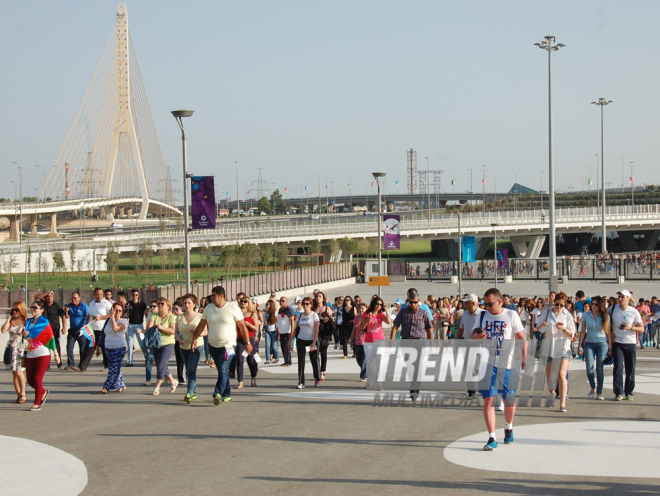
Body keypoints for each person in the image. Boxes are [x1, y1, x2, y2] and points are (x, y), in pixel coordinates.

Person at [471, 288, 527, 451]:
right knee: (488, 400)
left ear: (500, 301)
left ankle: (508, 427)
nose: (487, 307)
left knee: (508, 400)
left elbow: (521, 338)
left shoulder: (511, 315)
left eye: (490, 304)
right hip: (487, 363)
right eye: (485, 304)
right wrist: (477, 337)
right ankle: (491, 437)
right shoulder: (481, 316)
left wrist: (524, 358)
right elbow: (472, 337)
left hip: (507, 364)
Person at [191, 286, 250, 404]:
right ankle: (227, 394)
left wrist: (247, 342)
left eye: (213, 295)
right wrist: (195, 339)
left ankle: (217, 393)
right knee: (222, 371)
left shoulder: (233, 308)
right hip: (213, 346)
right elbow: (202, 324)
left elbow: (242, 326)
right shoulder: (209, 308)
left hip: (228, 345)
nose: (211, 298)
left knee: (223, 368)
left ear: (221, 296)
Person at [390, 289, 434, 400]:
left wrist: (432, 344)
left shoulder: (424, 312)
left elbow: (429, 329)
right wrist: (392, 340)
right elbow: (395, 326)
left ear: (418, 301)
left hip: (419, 341)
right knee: (409, 366)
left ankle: (415, 388)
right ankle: (413, 383)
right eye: (411, 302)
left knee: (417, 366)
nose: (413, 304)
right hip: (406, 341)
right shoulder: (403, 311)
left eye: (415, 302)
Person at [537, 291, 575, 412]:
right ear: (553, 303)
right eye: (557, 304)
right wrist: (543, 326)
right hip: (549, 347)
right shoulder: (547, 313)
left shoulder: (567, 315)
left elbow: (572, 334)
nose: (559, 307)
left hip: (563, 347)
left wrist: (564, 329)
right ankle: (552, 393)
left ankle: (563, 403)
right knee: (551, 376)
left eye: (561, 305)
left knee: (561, 375)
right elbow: (538, 329)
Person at [23, 300, 58, 411]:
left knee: (38, 378)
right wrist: (24, 335)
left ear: (42, 310)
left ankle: (37, 403)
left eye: (35, 307)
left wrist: (56, 354)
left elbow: (51, 339)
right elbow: (27, 337)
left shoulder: (44, 323)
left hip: (42, 353)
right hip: (31, 353)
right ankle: (43, 392)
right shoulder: (28, 322)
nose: (32, 309)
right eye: (31, 307)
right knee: (30, 380)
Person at [610, 290, 644, 401]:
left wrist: (631, 328)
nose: (620, 299)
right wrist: (610, 333)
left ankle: (629, 392)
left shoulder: (634, 312)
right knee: (618, 368)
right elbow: (606, 322)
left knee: (630, 369)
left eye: (622, 297)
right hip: (618, 343)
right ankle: (618, 392)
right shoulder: (613, 309)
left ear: (628, 299)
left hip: (630, 343)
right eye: (619, 297)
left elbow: (642, 328)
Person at [578, 297, 611, 400]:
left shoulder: (604, 316)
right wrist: (580, 345)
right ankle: (593, 387)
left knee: (599, 368)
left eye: (596, 304)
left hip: (602, 343)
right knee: (589, 368)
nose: (594, 306)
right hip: (589, 343)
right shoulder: (586, 315)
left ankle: (599, 393)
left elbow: (608, 332)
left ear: (600, 305)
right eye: (593, 304)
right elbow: (583, 331)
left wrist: (610, 346)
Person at [175, 293, 203, 403]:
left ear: (194, 304)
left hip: (196, 345)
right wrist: (179, 340)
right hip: (184, 346)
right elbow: (176, 332)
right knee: (188, 369)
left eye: (189, 303)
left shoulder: (200, 317)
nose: (186, 305)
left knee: (191, 369)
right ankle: (195, 392)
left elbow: (205, 332)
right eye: (185, 303)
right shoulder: (179, 317)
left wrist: (196, 334)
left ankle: (189, 392)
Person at [146, 298, 178, 395]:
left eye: (162, 304)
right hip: (156, 343)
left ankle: (157, 387)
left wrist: (160, 327)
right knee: (161, 365)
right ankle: (173, 381)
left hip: (168, 343)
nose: (160, 305)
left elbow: (172, 330)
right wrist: (153, 325)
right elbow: (149, 327)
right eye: (158, 304)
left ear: (168, 306)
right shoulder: (154, 315)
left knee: (160, 366)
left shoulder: (172, 317)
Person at [358, 296, 391, 386]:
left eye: (380, 304)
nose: (379, 306)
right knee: (369, 362)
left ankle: (380, 383)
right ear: (373, 304)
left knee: (380, 362)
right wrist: (366, 321)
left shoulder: (381, 315)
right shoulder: (367, 314)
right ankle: (369, 382)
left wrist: (387, 311)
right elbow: (361, 328)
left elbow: (388, 321)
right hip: (368, 341)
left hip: (380, 340)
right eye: (377, 304)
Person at [456, 294, 484, 399]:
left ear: (473, 303)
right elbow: (462, 328)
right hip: (467, 344)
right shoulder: (465, 314)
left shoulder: (483, 314)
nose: (465, 304)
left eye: (466, 302)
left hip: (480, 344)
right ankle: (471, 391)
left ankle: (483, 387)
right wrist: (458, 340)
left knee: (479, 367)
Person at [79, 288, 113, 372]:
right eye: (97, 294)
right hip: (92, 330)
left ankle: (108, 366)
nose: (99, 296)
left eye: (101, 294)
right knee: (89, 348)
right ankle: (82, 367)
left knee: (105, 348)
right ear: (94, 295)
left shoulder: (106, 303)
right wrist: (86, 325)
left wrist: (101, 317)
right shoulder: (91, 303)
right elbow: (89, 316)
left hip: (102, 330)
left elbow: (112, 314)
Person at [291, 296, 320, 388]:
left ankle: (317, 378)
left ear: (311, 305)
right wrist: (290, 340)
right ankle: (301, 382)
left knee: (314, 360)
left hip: (311, 339)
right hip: (301, 339)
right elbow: (296, 329)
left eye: (307, 304)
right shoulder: (300, 315)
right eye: (303, 304)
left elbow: (316, 330)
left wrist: (313, 343)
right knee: (301, 361)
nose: (305, 306)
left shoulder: (314, 315)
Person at [230, 296, 259, 388]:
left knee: (250, 361)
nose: (243, 303)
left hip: (250, 339)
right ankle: (240, 382)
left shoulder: (252, 314)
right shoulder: (237, 313)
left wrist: (249, 325)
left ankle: (253, 376)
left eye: (245, 301)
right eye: (241, 301)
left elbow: (256, 328)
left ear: (248, 303)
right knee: (240, 360)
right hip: (239, 339)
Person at [2, 301, 28, 404]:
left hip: (21, 348)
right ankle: (18, 395)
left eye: (16, 309)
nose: (14, 311)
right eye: (13, 309)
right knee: (14, 373)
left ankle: (23, 394)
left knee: (19, 372)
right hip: (11, 348)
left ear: (21, 310)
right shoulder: (11, 320)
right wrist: (9, 318)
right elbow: (3, 330)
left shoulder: (26, 321)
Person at [33, 290, 67, 369]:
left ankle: (59, 361)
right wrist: (46, 293)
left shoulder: (57, 305)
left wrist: (64, 327)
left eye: (51, 296)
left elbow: (63, 316)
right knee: (45, 346)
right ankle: (46, 364)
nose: (50, 298)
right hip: (44, 329)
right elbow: (36, 297)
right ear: (45, 298)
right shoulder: (42, 304)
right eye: (48, 296)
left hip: (54, 328)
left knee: (56, 344)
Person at [101, 303, 128, 394]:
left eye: (120, 311)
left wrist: (112, 316)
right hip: (108, 347)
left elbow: (115, 328)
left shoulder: (123, 321)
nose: (117, 312)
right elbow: (104, 332)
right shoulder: (108, 320)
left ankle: (106, 387)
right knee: (116, 367)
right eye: (116, 310)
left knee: (113, 368)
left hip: (119, 347)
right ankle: (121, 384)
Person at [64, 292, 89, 370]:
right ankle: (70, 364)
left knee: (82, 348)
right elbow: (66, 316)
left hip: (81, 330)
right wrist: (66, 311)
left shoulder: (84, 306)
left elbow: (87, 316)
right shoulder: (70, 306)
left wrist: (86, 326)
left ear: (79, 298)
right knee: (69, 347)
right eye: (72, 298)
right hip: (72, 330)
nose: (73, 300)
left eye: (75, 298)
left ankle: (82, 364)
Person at [313, 292, 333, 381]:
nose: (318, 298)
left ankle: (322, 372)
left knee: (323, 353)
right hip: (315, 333)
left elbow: (332, 323)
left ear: (323, 298)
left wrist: (327, 320)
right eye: (317, 296)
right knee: (315, 353)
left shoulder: (327, 309)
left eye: (320, 296)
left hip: (324, 333)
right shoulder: (313, 309)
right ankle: (317, 371)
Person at [125, 289, 147, 367]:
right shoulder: (129, 303)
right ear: (131, 295)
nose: (135, 296)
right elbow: (125, 313)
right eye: (133, 295)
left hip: (139, 325)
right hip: (131, 325)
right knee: (130, 344)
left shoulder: (142, 304)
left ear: (138, 295)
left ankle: (147, 358)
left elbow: (146, 313)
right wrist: (127, 308)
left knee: (142, 343)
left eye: (136, 295)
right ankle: (130, 361)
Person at [350, 302, 369, 382]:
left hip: (367, 341)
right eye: (359, 308)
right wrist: (351, 340)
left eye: (362, 308)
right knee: (358, 359)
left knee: (364, 360)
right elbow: (354, 329)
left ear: (366, 309)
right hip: (358, 342)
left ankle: (363, 376)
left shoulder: (368, 318)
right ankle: (368, 370)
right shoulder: (357, 318)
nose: (361, 310)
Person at [276, 296, 295, 367]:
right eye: (280, 301)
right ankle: (285, 361)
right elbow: (279, 320)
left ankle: (288, 362)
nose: (281, 302)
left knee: (286, 347)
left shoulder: (288, 309)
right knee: (282, 347)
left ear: (286, 302)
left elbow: (292, 321)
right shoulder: (280, 309)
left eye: (283, 301)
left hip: (287, 331)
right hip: (281, 331)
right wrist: (278, 330)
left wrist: (292, 331)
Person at [171, 299, 187, 385]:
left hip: (186, 340)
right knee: (179, 360)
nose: (174, 311)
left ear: (181, 308)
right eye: (173, 309)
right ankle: (181, 378)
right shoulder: (174, 318)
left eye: (176, 309)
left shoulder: (184, 317)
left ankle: (188, 376)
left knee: (187, 360)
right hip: (178, 340)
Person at [262, 299, 279, 364]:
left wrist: (278, 331)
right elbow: (264, 323)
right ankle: (267, 359)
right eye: (266, 304)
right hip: (267, 331)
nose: (266, 305)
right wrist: (263, 331)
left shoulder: (275, 313)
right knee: (267, 345)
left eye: (268, 304)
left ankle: (276, 358)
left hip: (274, 331)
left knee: (274, 346)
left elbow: (277, 322)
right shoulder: (265, 313)